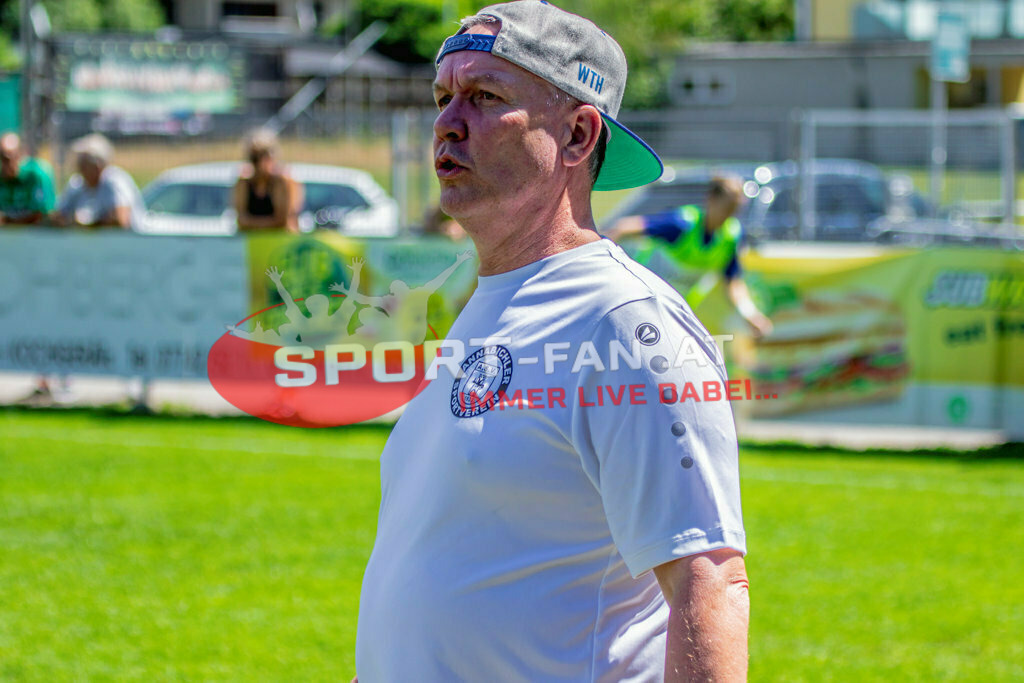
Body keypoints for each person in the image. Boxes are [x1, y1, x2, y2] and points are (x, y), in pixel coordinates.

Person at [354, 3, 749, 682]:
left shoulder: (625, 318)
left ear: (576, 133)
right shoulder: (490, 302)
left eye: (484, 97)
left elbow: (707, 579)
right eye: (444, 97)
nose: (448, 122)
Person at [606, 176, 774, 337]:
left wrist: (751, 315)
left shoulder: (731, 236)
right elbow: (623, 227)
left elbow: (732, 282)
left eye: (734, 210)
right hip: (638, 303)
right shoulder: (681, 224)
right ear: (711, 199)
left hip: (674, 313)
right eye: (726, 207)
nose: (729, 215)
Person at [52, 133, 144, 229]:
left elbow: (122, 220)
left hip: (129, 242)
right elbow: (58, 215)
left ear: (98, 166)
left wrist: (91, 223)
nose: (79, 168)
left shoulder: (114, 181)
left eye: (83, 164)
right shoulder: (76, 183)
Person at [232, 127, 302, 232]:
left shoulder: (282, 181)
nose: (258, 164)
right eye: (254, 158)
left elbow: (282, 221)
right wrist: (266, 224)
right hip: (251, 242)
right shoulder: (244, 182)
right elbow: (241, 221)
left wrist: (252, 224)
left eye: (262, 157)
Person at [0, 132, 56, 225]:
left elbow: (43, 213)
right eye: (2, 158)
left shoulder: (37, 174)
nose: (6, 163)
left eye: (10, 157)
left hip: (36, 235)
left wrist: (9, 220)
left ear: (21, 154)